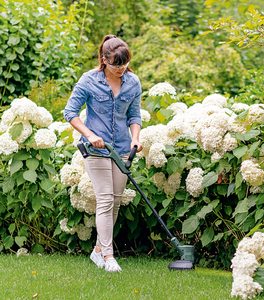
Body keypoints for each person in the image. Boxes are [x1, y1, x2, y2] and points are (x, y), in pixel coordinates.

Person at [64, 34, 143, 272]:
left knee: (116, 203)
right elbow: (70, 112)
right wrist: (89, 135)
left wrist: (136, 139)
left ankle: (98, 251)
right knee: (106, 199)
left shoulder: (133, 82)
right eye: (116, 65)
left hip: (121, 148)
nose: (121, 69)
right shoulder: (89, 80)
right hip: (95, 148)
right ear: (103, 60)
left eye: (124, 64)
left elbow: (134, 115)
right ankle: (109, 256)